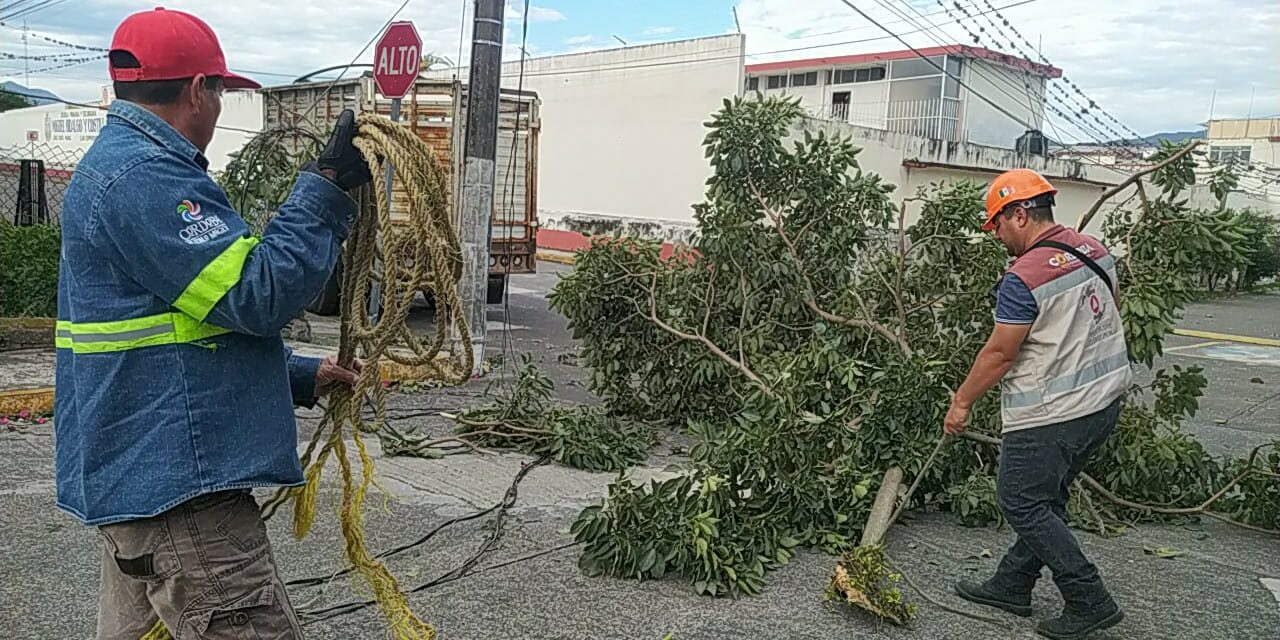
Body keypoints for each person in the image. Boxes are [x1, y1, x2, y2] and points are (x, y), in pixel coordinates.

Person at [54, 8, 373, 639]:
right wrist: (323, 189)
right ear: (198, 90)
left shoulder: (121, 168)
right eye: (221, 92)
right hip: (182, 498)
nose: (221, 108)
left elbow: (177, 331)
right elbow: (258, 294)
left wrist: (303, 374)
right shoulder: (145, 180)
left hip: (145, 484)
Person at [942, 169, 1131, 640]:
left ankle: (1089, 598)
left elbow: (1000, 353)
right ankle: (1012, 584)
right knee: (1049, 498)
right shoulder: (1095, 251)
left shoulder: (1022, 278)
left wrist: (961, 403)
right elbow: (1111, 309)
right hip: (1104, 401)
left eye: (998, 226)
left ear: (1019, 214)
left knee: (1021, 501)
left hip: (1051, 411)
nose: (998, 236)